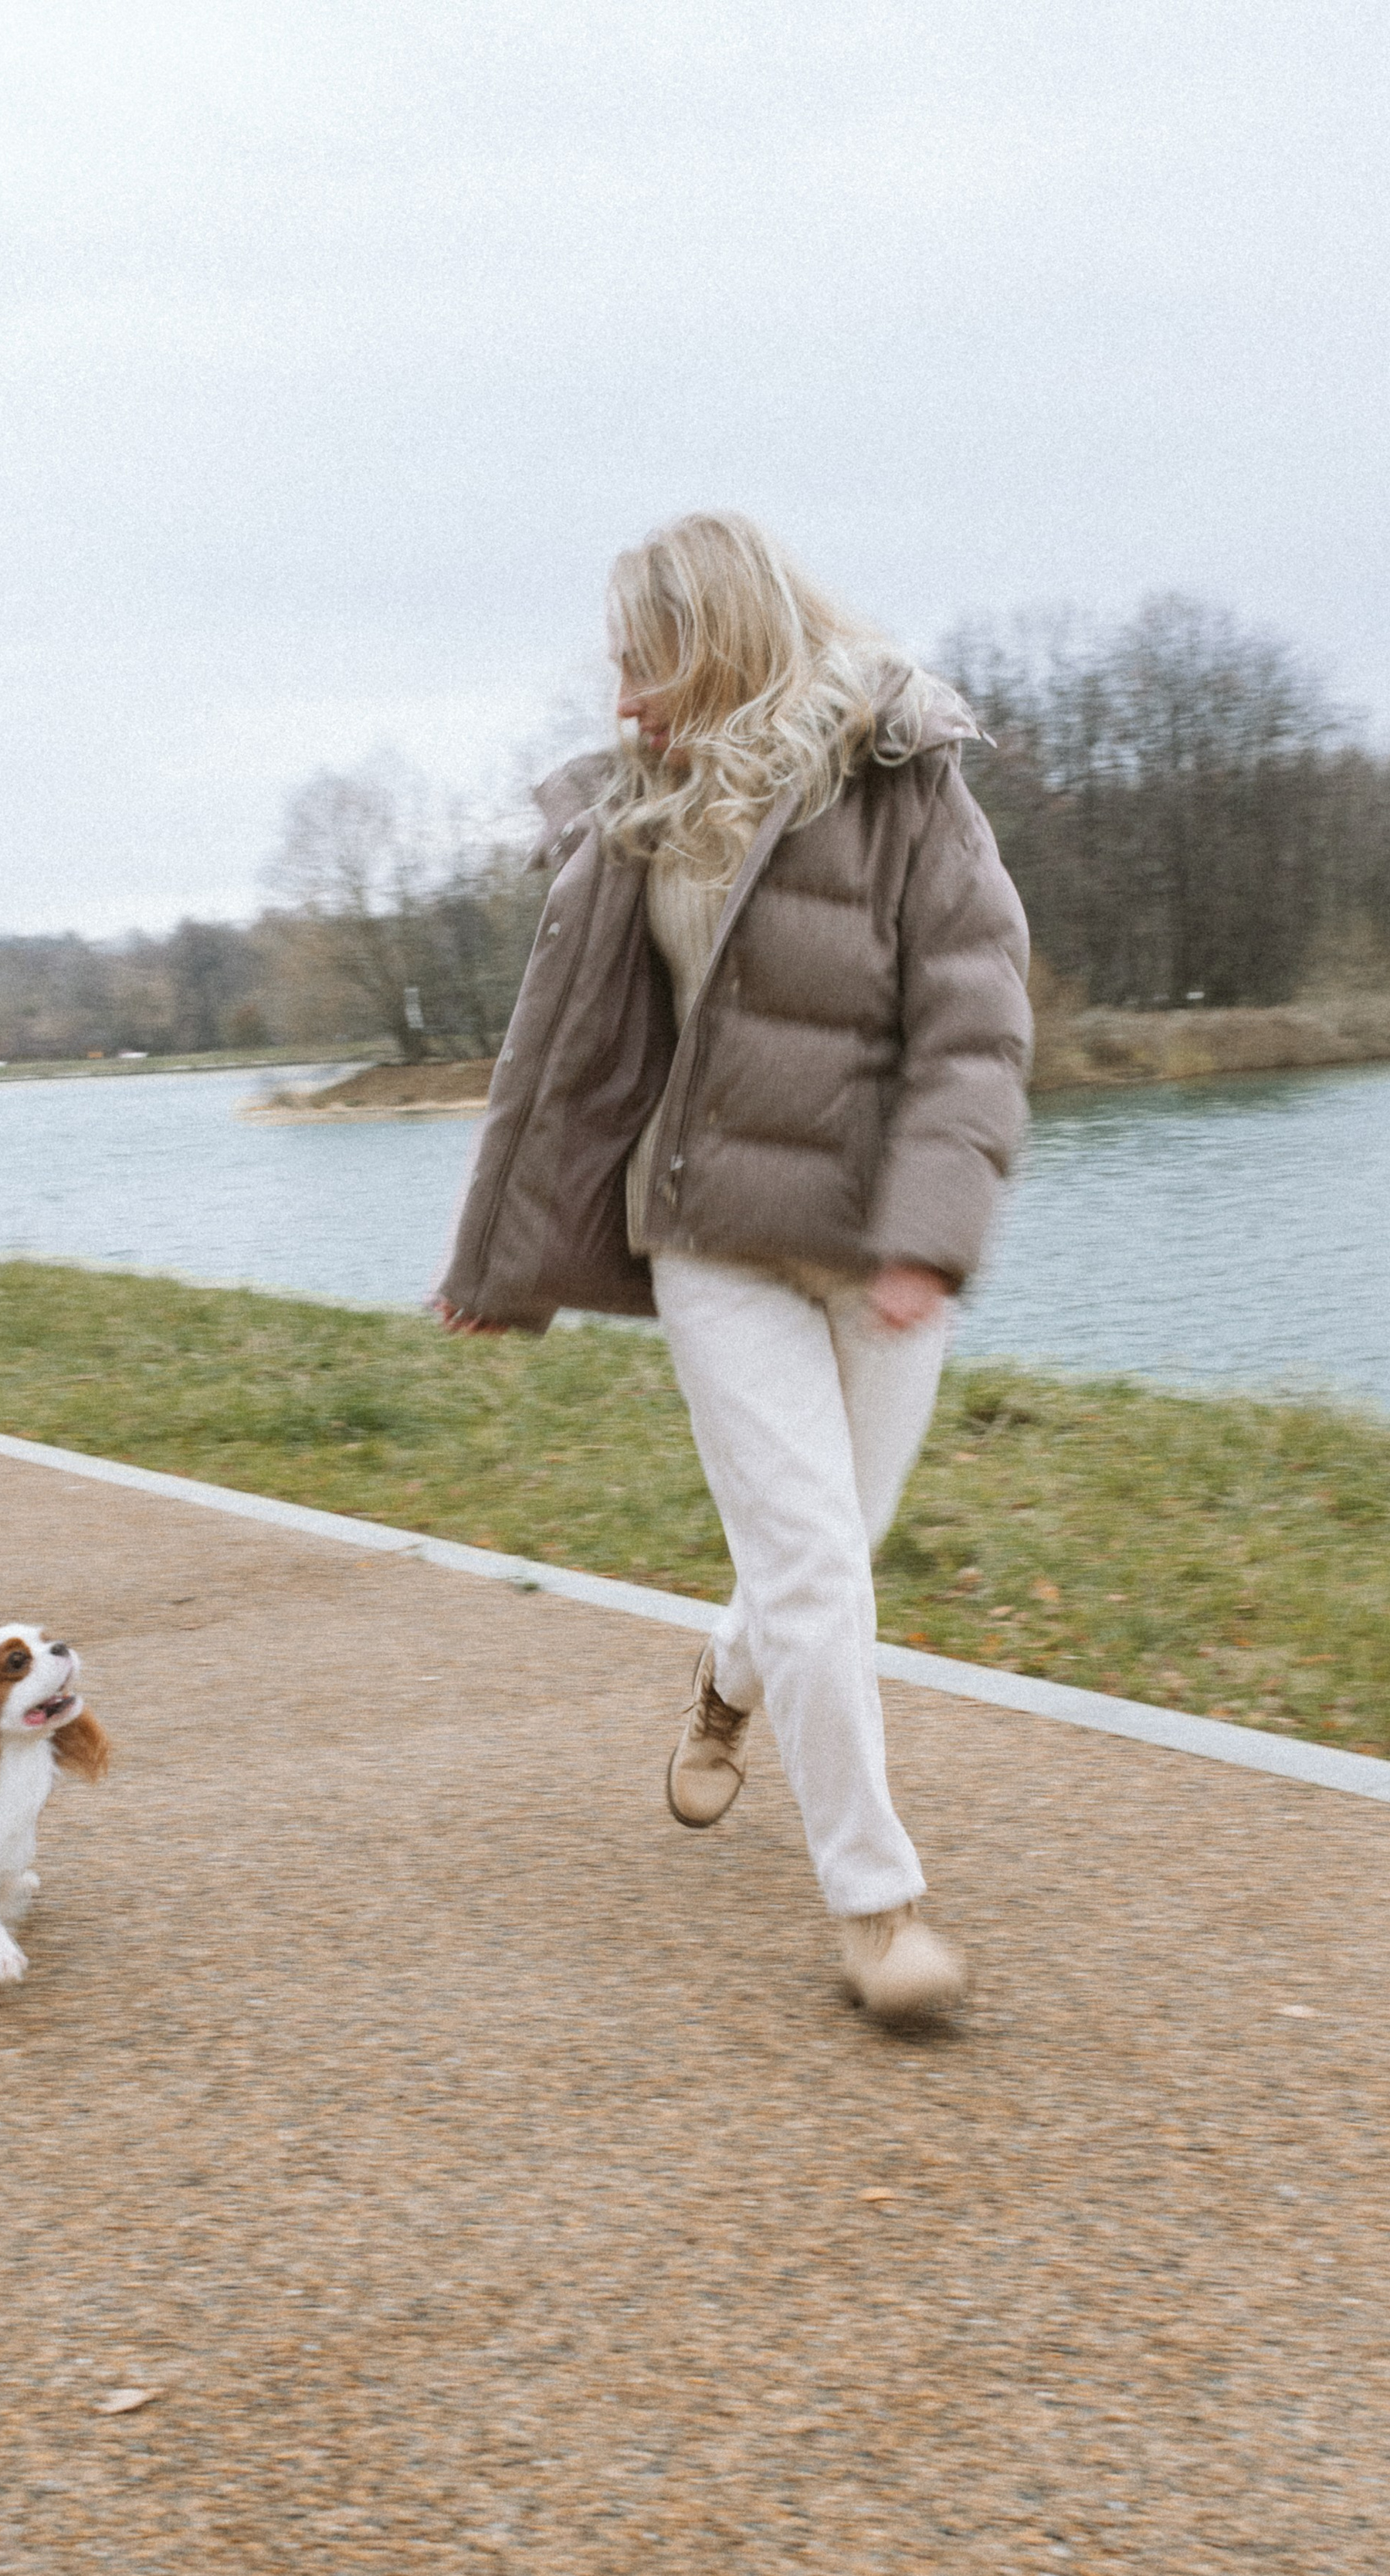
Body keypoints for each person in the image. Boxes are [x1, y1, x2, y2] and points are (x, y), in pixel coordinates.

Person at [436, 512, 1031, 2020]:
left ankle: (723, 1688)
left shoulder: (903, 773)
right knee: (817, 1562)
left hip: (874, 1242)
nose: (623, 700)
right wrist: (489, 1259)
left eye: (645, 663)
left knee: (825, 1554)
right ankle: (877, 1910)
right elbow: (554, 1059)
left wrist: (926, 1234)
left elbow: (974, 1022)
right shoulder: (631, 809)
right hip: (706, 1233)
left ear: (721, 640)